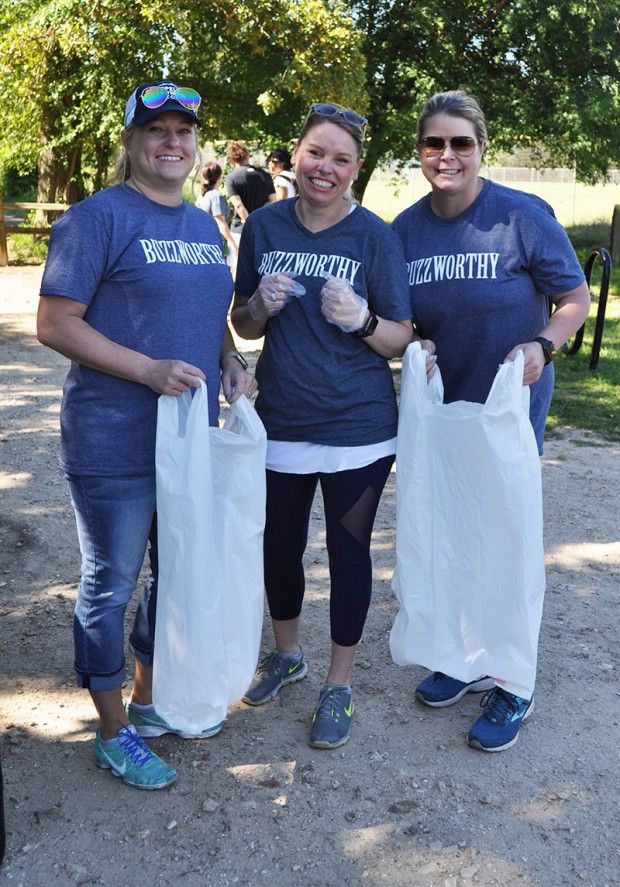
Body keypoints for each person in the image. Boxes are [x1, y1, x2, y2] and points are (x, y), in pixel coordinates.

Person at [36, 79, 257, 790]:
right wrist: (147, 369)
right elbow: (56, 322)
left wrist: (229, 360)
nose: (172, 142)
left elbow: (210, 314)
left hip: (189, 438)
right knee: (111, 583)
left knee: (176, 574)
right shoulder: (96, 219)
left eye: (184, 132)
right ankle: (111, 730)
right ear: (130, 142)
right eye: (156, 131)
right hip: (113, 441)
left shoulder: (201, 226)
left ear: (197, 147)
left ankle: (148, 700)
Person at [391, 89, 590, 752]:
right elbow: (406, 320)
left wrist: (543, 345)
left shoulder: (521, 216)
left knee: (505, 539)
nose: (446, 155)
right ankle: (466, 657)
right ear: (420, 150)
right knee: (452, 530)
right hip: (447, 412)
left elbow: (573, 297)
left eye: (460, 143)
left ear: (482, 148)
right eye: (433, 143)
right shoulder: (406, 230)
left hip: (508, 408)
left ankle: (513, 681)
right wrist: (413, 342)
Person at [231, 101, 433, 750]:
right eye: (317, 152)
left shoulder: (375, 237)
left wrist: (362, 321)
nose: (326, 167)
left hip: (361, 430)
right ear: (296, 154)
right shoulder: (263, 228)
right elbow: (241, 322)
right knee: (278, 549)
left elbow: (401, 337)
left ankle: (338, 684)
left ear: (356, 168)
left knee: (348, 554)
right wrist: (258, 304)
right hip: (283, 421)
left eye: (341, 158)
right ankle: (288, 656)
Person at [225, 140, 276, 245]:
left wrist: (250, 222)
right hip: (263, 228)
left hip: (240, 229)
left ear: (232, 159)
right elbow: (273, 201)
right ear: (247, 155)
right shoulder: (265, 175)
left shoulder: (232, 178)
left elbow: (238, 205)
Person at [196, 161, 238, 267]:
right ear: (219, 178)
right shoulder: (216, 196)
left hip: (201, 241)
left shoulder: (201, 196)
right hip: (215, 244)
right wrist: (232, 243)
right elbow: (220, 222)